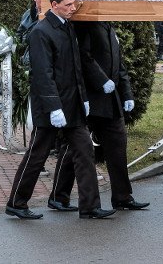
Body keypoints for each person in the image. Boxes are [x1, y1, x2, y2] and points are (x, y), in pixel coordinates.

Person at [5, 0, 114, 220]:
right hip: (51, 107)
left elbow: (76, 67)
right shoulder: (41, 32)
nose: (72, 8)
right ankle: (16, 202)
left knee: (85, 151)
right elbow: (43, 75)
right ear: (54, 5)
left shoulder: (68, 28)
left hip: (73, 105)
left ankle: (90, 206)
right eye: (68, 5)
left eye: (73, 4)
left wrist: (84, 98)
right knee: (37, 155)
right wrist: (54, 107)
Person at [49, 21, 149, 212]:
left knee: (118, 146)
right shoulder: (86, 25)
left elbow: (119, 63)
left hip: (110, 100)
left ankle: (122, 196)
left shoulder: (109, 26)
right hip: (89, 97)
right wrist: (101, 80)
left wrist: (126, 93)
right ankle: (58, 196)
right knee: (73, 148)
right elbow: (84, 57)